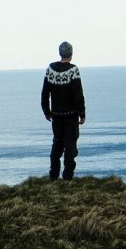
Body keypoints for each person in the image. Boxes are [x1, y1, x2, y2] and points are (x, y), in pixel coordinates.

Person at [40, 41, 86, 180]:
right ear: (71, 54)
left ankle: (53, 175)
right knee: (70, 147)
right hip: (71, 117)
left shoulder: (50, 69)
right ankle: (67, 177)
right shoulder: (73, 70)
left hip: (56, 116)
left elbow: (44, 93)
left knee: (57, 144)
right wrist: (82, 114)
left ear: (60, 53)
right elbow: (78, 95)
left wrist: (47, 111)